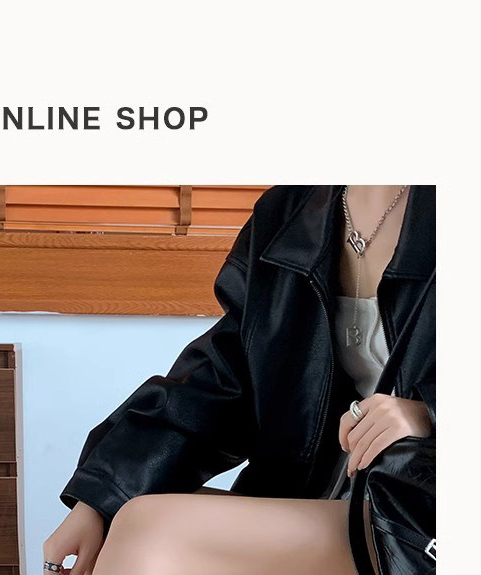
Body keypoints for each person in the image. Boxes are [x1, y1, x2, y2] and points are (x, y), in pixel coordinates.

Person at [44, 186, 436, 575]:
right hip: (330, 495)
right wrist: (100, 497)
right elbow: (220, 379)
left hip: (422, 507)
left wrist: (430, 413)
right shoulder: (290, 210)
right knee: (128, 517)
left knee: (151, 529)